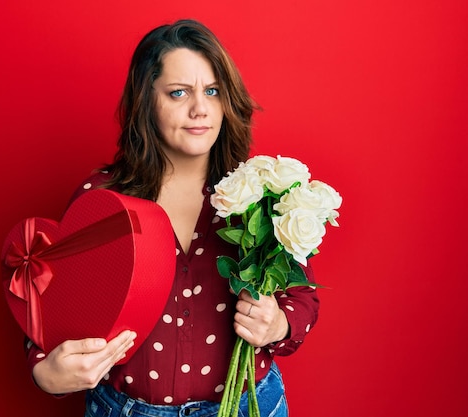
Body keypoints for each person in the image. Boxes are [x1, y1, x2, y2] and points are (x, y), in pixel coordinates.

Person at [25, 19, 319, 417]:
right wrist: (46, 372)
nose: (200, 108)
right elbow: (53, 310)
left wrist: (278, 325)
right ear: (147, 101)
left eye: (212, 91)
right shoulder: (102, 199)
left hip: (247, 405)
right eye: (178, 92)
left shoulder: (261, 193)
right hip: (126, 409)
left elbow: (302, 297)